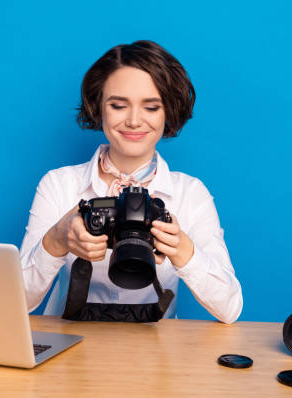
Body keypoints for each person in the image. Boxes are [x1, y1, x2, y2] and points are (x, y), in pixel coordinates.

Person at [19, 40, 242, 323]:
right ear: (98, 107)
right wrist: (56, 240)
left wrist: (183, 250)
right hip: (68, 344)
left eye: (151, 107)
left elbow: (230, 309)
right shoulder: (59, 185)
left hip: (157, 354)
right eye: (118, 105)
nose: (134, 121)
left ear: (168, 112)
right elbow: (17, 303)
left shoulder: (189, 194)